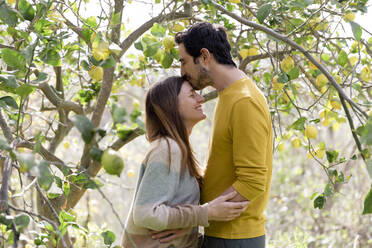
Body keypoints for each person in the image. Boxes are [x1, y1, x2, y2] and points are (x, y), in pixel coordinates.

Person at [154, 22, 273, 248]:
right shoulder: (228, 95)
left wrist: (198, 218)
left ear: (205, 56)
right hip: (223, 235)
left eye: (184, 61)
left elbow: (253, 180)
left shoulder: (244, 101)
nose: (181, 72)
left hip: (235, 238)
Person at [122, 76, 249, 248]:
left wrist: (186, 224)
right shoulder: (167, 149)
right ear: (171, 106)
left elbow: (173, 208)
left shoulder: (177, 149)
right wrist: (206, 212)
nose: (201, 98)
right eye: (191, 95)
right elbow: (146, 214)